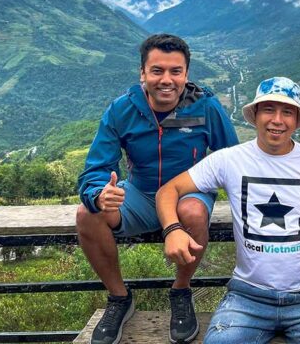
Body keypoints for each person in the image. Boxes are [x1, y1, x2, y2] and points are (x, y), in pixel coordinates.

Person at [156, 77, 300, 343]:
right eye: (269, 110)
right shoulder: (230, 160)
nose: (277, 120)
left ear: (296, 120)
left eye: (287, 112)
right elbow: (168, 191)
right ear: (255, 115)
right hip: (247, 295)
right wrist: (173, 230)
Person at [76, 34, 238, 344]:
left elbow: (231, 157)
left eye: (175, 71)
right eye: (157, 71)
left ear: (186, 74)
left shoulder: (205, 105)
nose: (167, 80)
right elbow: (96, 167)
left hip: (188, 193)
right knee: (88, 213)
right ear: (142, 74)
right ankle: (119, 298)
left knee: (192, 211)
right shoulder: (122, 110)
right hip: (139, 194)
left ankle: (180, 290)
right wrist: (98, 193)